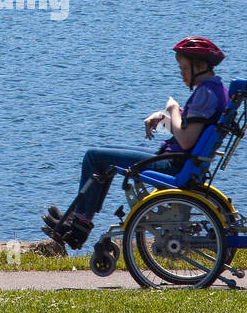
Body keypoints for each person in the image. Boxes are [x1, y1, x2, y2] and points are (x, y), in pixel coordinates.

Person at [43, 37, 229, 248]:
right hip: (180, 161)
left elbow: (186, 141)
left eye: (184, 68)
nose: (181, 73)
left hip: (174, 165)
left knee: (94, 157)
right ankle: (79, 220)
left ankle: (79, 224)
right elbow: (191, 131)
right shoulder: (215, 89)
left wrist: (173, 110)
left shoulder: (205, 93)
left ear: (201, 65)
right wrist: (165, 120)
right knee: (104, 157)